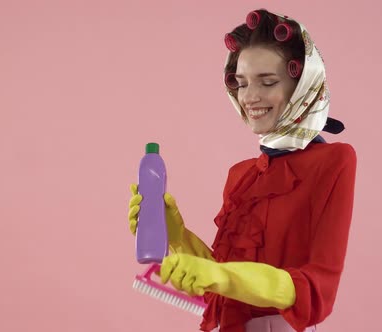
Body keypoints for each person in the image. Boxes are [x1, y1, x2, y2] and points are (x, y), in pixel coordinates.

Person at [128, 8, 356, 332]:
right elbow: (222, 286)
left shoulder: (334, 161)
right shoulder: (241, 176)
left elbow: (318, 288)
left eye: (267, 81)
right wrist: (177, 236)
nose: (249, 97)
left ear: (303, 87)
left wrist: (221, 276)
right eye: (243, 83)